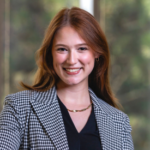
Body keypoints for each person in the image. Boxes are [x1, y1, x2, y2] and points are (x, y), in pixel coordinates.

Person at [0, 7, 134, 150]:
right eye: (62, 49)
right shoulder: (19, 107)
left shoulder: (119, 122)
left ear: (96, 53)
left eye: (82, 48)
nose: (71, 60)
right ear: (50, 54)